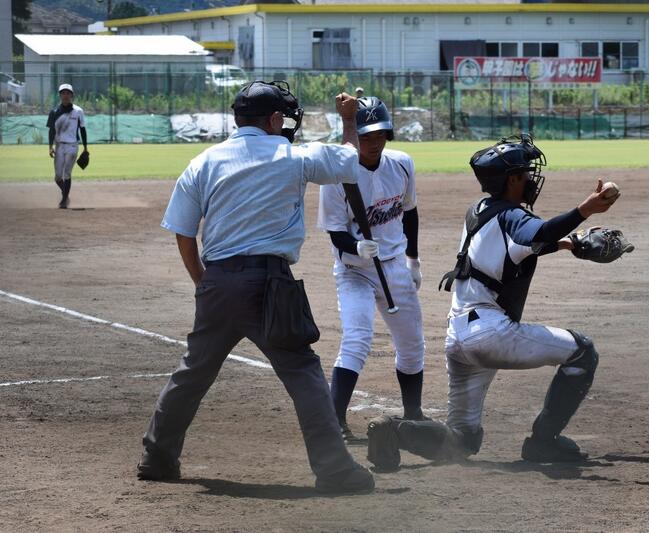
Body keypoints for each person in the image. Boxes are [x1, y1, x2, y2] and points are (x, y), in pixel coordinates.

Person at [137, 81, 374, 494]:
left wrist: (203, 282)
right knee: (301, 370)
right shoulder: (293, 155)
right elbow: (350, 160)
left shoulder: (204, 161)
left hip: (218, 281)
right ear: (274, 119)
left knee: (193, 372)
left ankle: (157, 458)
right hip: (270, 283)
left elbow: (183, 232)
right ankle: (335, 470)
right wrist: (349, 120)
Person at [366, 134, 619, 470]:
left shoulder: (479, 212)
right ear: (511, 180)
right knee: (582, 351)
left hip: (459, 337)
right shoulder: (514, 217)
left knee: (462, 440)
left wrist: (569, 244)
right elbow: (538, 233)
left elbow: (516, 248)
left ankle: (395, 432)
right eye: (525, 173)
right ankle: (544, 442)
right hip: (491, 333)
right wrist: (585, 210)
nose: (530, 178)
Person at [317, 96, 426, 442]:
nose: (374, 142)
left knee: (412, 345)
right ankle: (334, 421)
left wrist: (413, 260)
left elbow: (409, 212)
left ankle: (414, 416)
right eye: (366, 136)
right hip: (355, 272)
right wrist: (355, 247)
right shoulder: (337, 177)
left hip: (394, 268)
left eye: (380, 134)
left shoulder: (402, 164)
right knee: (357, 339)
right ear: (356, 136)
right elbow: (335, 232)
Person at [46, 83, 88, 209]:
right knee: (58, 177)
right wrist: (50, 147)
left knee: (67, 173)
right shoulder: (54, 112)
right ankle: (65, 194)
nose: (65, 95)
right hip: (59, 146)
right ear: (60, 95)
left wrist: (85, 148)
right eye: (63, 93)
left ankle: (64, 200)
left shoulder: (78, 111)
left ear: (72, 95)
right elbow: (51, 131)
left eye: (68, 93)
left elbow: (82, 129)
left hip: (72, 146)